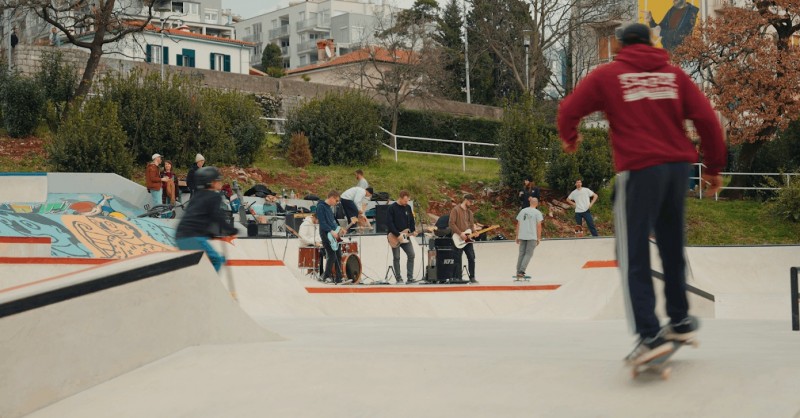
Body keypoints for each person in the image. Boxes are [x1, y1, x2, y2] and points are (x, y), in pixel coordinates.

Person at [556, 23, 726, 364]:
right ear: (652, 44)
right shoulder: (674, 76)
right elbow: (708, 119)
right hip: (677, 170)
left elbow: (569, 109)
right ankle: (680, 319)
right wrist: (713, 167)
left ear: (620, 47)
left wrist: (570, 137)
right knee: (671, 245)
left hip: (639, 170)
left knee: (633, 251)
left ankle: (649, 335)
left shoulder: (609, 75)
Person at [175, 166, 238, 272]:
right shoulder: (214, 196)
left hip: (180, 236)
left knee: (199, 263)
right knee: (216, 260)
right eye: (218, 180)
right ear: (211, 182)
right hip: (193, 237)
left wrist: (209, 233)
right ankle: (209, 282)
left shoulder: (197, 195)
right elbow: (217, 216)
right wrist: (231, 230)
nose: (220, 182)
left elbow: (197, 217)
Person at [449, 194, 480, 284]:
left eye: (472, 202)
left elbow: (471, 225)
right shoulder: (455, 210)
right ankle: (457, 277)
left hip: (468, 238)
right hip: (458, 238)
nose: (471, 203)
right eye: (470, 201)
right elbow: (451, 223)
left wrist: (475, 232)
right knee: (457, 258)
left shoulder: (470, 212)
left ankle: (472, 277)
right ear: (465, 200)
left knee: (471, 257)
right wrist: (460, 233)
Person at [387, 190, 416, 284]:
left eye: (407, 201)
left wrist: (413, 231)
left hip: (406, 236)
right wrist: (397, 234)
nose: (406, 202)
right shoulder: (392, 208)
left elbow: (411, 221)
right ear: (400, 198)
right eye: (405, 200)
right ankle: (398, 278)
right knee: (397, 257)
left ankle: (410, 278)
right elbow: (390, 223)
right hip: (394, 236)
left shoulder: (408, 207)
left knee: (411, 254)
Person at [317, 190, 345, 284]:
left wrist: (339, 230)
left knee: (338, 255)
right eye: (336, 200)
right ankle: (326, 277)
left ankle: (339, 278)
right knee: (332, 255)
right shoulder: (321, 206)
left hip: (332, 233)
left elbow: (333, 223)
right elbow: (322, 223)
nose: (337, 203)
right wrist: (331, 231)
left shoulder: (329, 208)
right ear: (332, 198)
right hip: (326, 234)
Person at [515, 196, 543, 279]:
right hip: (532, 236)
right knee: (528, 253)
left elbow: (518, 224)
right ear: (537, 204)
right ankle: (521, 271)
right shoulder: (537, 212)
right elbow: (539, 226)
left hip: (522, 235)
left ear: (530, 202)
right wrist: (539, 237)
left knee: (521, 253)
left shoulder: (523, 211)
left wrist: (517, 236)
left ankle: (518, 271)